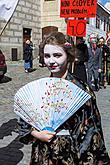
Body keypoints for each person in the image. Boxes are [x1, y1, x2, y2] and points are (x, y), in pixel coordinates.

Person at [18, 32, 110, 165]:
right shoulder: (40, 88)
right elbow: (25, 119)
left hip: (69, 154)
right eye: (47, 56)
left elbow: (91, 131)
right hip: (42, 153)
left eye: (57, 55)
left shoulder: (81, 89)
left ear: (68, 55)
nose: (51, 61)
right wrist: (37, 134)